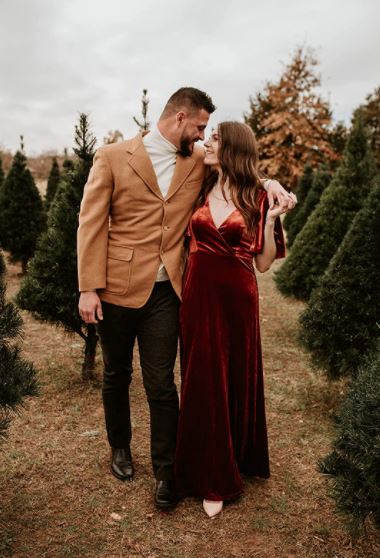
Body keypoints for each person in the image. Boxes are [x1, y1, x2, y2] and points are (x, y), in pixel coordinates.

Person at [77, 88, 296, 510]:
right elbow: (90, 223)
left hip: (170, 290)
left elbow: (244, 171)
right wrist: (88, 287)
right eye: (199, 128)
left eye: (207, 133)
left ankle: (166, 472)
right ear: (180, 118)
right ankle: (119, 448)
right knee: (116, 374)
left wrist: (270, 183)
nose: (202, 138)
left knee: (162, 382)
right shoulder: (112, 156)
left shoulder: (198, 161)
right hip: (116, 287)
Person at [175, 121, 288, 518]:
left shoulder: (257, 197)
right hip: (198, 294)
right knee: (203, 378)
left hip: (238, 298)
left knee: (234, 375)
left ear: (233, 147)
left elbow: (263, 264)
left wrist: (271, 219)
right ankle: (205, 469)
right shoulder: (199, 185)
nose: (206, 142)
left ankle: (232, 462)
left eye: (216, 138)